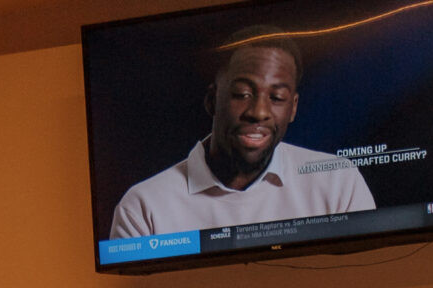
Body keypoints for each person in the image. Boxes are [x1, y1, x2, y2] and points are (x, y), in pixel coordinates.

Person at [109, 34, 375, 238]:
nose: (259, 112)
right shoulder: (144, 206)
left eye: (277, 97)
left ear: (293, 108)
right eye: (242, 94)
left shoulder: (339, 182)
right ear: (212, 100)